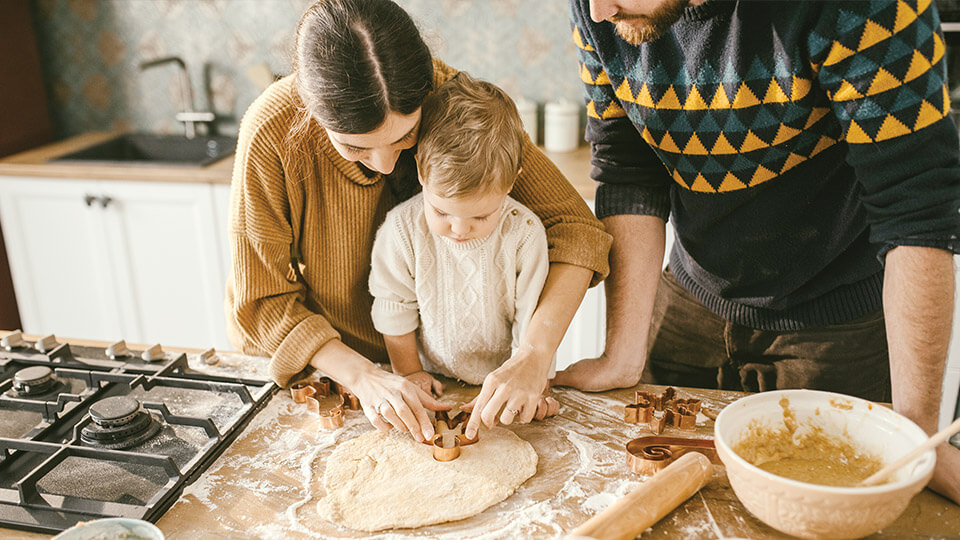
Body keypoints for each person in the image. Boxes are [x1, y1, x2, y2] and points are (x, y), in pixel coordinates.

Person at [553, 0, 960, 504]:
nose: (597, 11)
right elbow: (629, 168)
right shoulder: (603, 10)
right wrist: (621, 354)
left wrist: (915, 431)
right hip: (688, 297)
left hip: (836, 322)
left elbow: (915, 207)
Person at [226, 0, 611, 445]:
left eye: (405, 137)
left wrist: (534, 354)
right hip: (335, 374)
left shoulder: (454, 101)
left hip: (441, 378)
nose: (386, 165)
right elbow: (262, 302)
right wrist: (365, 376)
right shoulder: (272, 131)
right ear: (313, 113)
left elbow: (576, 229)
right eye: (355, 148)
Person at [368, 72, 559, 419]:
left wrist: (535, 386)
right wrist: (410, 374)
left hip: (504, 380)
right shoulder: (401, 231)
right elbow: (394, 310)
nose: (458, 230)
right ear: (422, 174)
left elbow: (531, 325)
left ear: (511, 184)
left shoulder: (525, 234)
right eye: (441, 211)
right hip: (433, 377)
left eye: (481, 217)